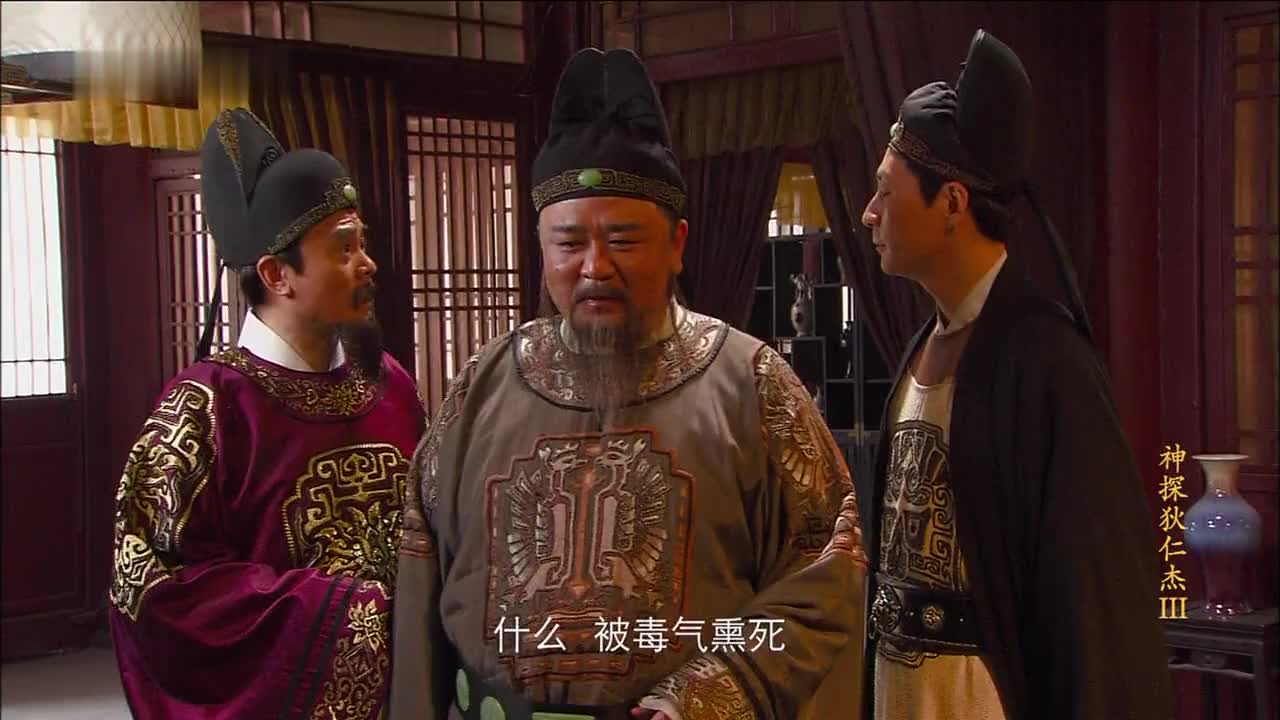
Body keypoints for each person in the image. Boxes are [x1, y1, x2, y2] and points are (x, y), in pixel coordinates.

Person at [390, 48, 869, 720]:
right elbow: (420, 574)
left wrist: (710, 693)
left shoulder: (752, 385)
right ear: (541, 246)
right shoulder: (482, 386)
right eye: (568, 243)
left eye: (623, 240)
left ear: (677, 244)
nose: (595, 267)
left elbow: (830, 566)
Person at [857, 30, 1173, 719]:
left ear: (952, 204)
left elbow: (1092, 602)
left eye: (885, 190)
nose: (869, 213)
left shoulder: (1047, 360)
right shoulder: (921, 346)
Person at [108, 107, 427, 719]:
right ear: (278, 274)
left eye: (363, 244)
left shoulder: (387, 382)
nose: (367, 264)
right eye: (343, 249)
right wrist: (343, 614)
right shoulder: (203, 408)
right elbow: (152, 583)